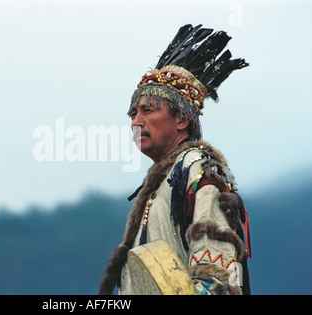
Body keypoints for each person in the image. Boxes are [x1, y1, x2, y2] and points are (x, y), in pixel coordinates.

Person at [98, 24, 252, 295]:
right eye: (132, 114)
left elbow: (215, 279)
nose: (136, 121)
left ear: (181, 119)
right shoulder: (162, 183)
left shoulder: (198, 170)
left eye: (147, 110)